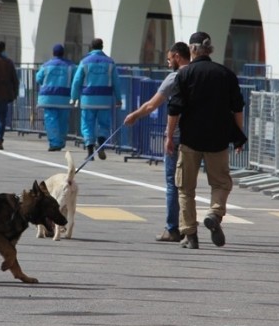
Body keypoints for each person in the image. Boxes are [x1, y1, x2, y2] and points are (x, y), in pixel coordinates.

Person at [166, 32, 245, 250]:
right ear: (209, 50)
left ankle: (190, 235)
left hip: (190, 139)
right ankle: (214, 213)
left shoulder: (185, 74)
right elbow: (237, 107)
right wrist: (239, 135)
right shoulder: (226, 74)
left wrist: (169, 136)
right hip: (218, 139)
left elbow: (174, 109)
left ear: (191, 49)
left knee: (185, 188)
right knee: (220, 183)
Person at [124, 42, 191, 242]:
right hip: (196, 136)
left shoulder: (174, 77)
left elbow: (152, 104)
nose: (168, 62)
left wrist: (134, 115)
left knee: (172, 183)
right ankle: (189, 229)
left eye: (169, 58)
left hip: (177, 134)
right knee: (188, 185)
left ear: (178, 56)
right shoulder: (199, 75)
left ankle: (172, 228)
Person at [70, 38, 123, 160]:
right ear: (102, 47)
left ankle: (90, 152)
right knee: (104, 124)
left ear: (91, 47)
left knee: (87, 125)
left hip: (88, 100)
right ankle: (101, 144)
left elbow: (76, 81)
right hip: (105, 100)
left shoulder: (85, 62)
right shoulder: (110, 62)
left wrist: (74, 97)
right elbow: (116, 82)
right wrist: (118, 98)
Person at [35, 43, 76, 151]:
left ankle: (54, 142)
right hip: (65, 97)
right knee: (63, 120)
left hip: (48, 98)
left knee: (51, 120)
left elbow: (38, 78)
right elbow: (76, 80)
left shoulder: (46, 65)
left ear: (53, 53)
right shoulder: (71, 66)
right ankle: (61, 141)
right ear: (63, 53)